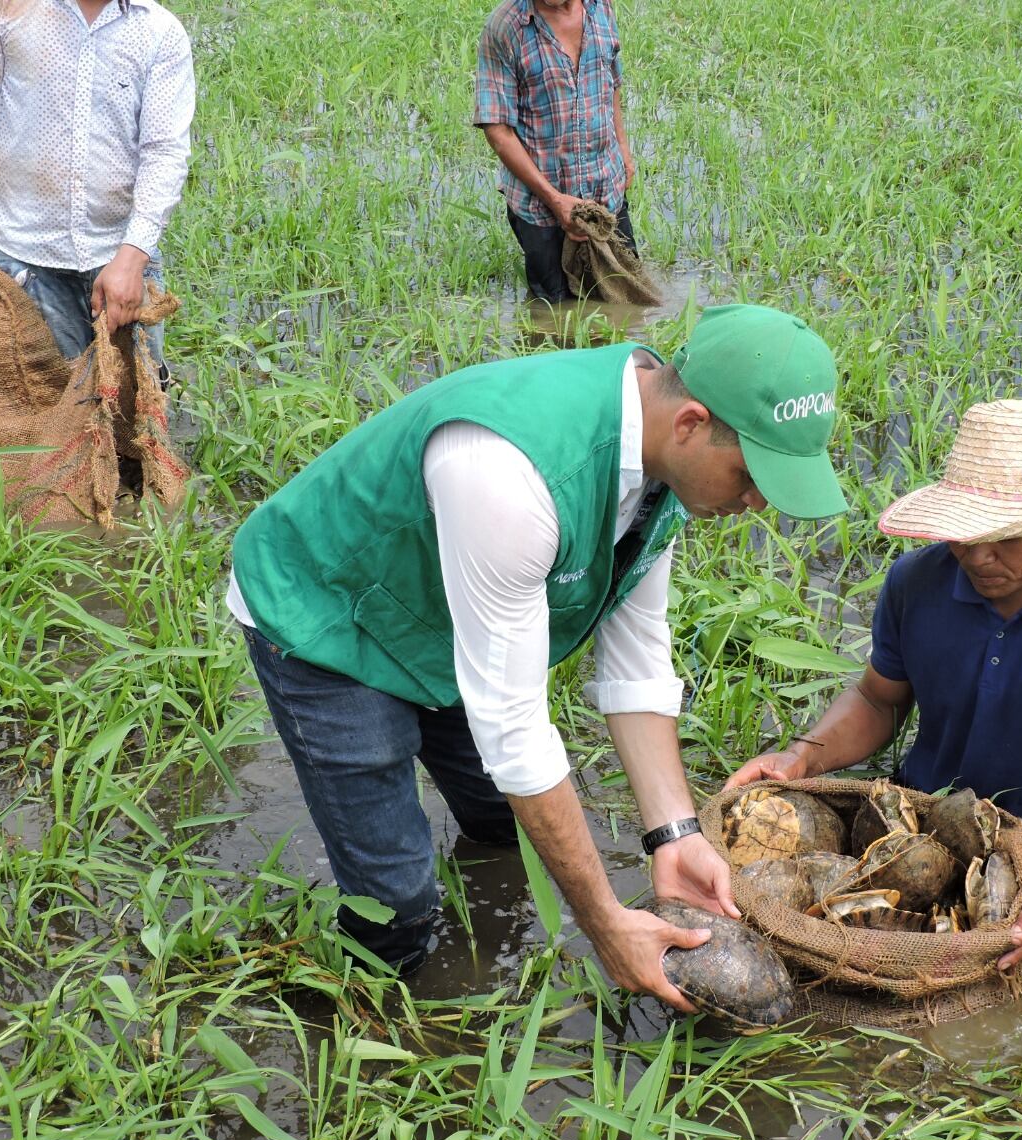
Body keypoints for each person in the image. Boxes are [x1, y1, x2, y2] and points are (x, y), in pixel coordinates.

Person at [227, 304, 844, 1011]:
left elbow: (637, 661)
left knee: (503, 820)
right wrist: (604, 921)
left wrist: (673, 836)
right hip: (326, 612)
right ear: (692, 424)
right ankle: (369, 1032)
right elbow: (515, 731)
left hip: (440, 613)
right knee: (395, 902)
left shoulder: (662, 464)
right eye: (752, 475)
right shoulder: (511, 474)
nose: (758, 501)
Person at [727, 399, 1022, 971]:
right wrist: (801, 759)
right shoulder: (916, 582)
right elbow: (878, 698)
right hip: (921, 818)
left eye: (1007, 536)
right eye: (965, 534)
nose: (978, 555)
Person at [0, 0, 195, 366]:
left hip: (121, 251)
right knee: (40, 407)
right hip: (24, 253)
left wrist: (131, 258)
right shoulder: (2, 8)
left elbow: (164, 153)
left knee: (132, 404)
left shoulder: (159, 32)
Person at [474, 0, 638, 303]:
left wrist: (624, 150)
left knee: (626, 299)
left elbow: (611, 82)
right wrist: (555, 200)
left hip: (606, 191)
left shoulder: (601, 7)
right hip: (541, 208)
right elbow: (498, 130)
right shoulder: (505, 27)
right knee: (554, 315)